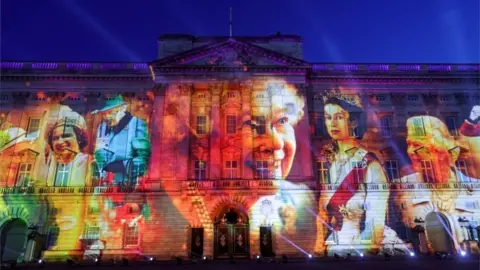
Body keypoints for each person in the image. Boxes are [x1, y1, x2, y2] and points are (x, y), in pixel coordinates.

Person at [315, 91, 401, 255]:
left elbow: (374, 228)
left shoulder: (371, 166)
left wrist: (357, 254)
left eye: (339, 117)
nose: (332, 123)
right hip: (334, 248)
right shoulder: (332, 166)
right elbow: (324, 214)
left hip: (357, 251)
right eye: (328, 117)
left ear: (353, 121)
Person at [92, 95, 151, 186]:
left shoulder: (137, 123)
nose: (106, 117)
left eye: (109, 112)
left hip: (124, 185)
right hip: (107, 186)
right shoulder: (104, 127)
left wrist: (120, 167)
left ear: (121, 108)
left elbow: (142, 160)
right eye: (103, 114)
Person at [45, 106, 91, 186]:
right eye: (55, 138)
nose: (60, 141)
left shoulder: (89, 163)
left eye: (66, 135)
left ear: (79, 138)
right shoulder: (48, 164)